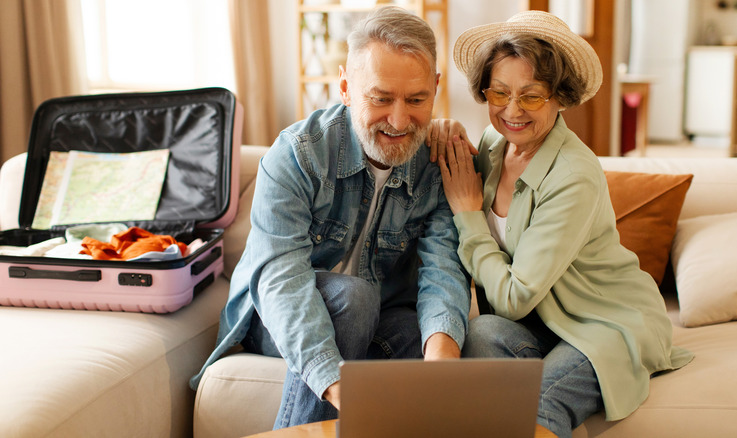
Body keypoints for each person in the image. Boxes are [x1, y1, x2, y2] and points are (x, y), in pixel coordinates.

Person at [190, 6, 471, 430]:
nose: (399, 120)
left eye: (416, 100)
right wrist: (338, 386)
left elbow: (443, 269)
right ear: (345, 86)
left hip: (379, 317)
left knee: (429, 333)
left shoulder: (437, 162)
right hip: (281, 319)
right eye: (380, 98)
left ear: (435, 87)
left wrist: (443, 361)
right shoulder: (297, 155)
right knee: (354, 299)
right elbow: (281, 281)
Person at [428, 11, 694, 438]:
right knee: (478, 334)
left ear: (560, 96)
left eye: (531, 96)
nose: (512, 110)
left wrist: (468, 214)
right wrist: (442, 129)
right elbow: (451, 173)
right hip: (546, 322)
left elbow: (512, 297)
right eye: (499, 93)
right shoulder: (496, 144)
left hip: (605, 324)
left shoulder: (574, 175)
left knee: (537, 402)